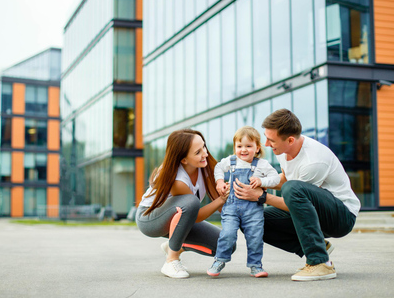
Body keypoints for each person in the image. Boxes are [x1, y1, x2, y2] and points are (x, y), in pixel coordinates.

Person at [233, 109, 360, 281]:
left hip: (341, 216)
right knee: (250, 220)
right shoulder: (284, 151)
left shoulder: (313, 161)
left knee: (292, 189)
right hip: (314, 211)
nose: (267, 144)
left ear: (290, 140)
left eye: (271, 140)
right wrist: (257, 183)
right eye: (266, 137)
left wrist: (261, 197)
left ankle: (320, 263)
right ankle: (319, 246)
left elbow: (294, 198)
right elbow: (285, 179)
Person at [136, 129, 231, 279]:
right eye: (198, 152)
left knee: (226, 245)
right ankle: (171, 260)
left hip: (180, 217)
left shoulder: (205, 167)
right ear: (184, 160)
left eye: (204, 147)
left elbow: (220, 206)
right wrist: (222, 199)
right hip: (149, 218)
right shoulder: (178, 180)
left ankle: (174, 245)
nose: (205, 154)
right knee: (191, 202)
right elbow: (196, 215)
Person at [207, 126, 280, 278]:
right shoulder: (231, 161)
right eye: (239, 146)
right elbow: (218, 168)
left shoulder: (262, 164)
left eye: (248, 146)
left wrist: (261, 180)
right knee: (227, 234)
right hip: (231, 207)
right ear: (235, 147)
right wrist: (220, 182)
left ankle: (255, 265)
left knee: (255, 237)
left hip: (253, 209)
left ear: (257, 148)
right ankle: (219, 260)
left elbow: (275, 178)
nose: (243, 150)